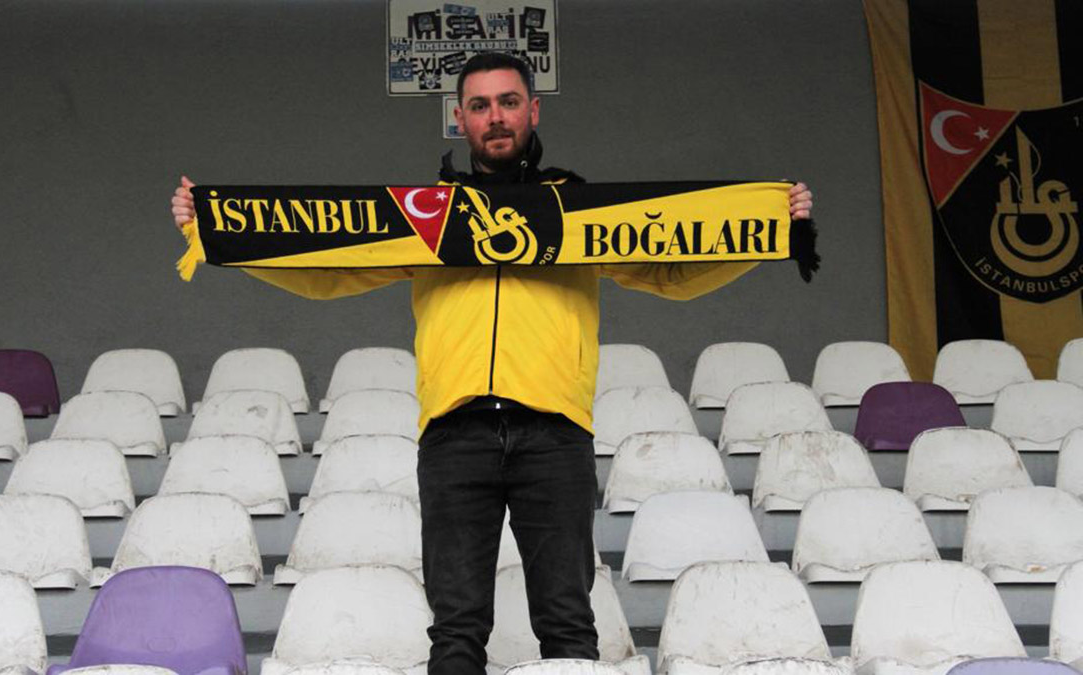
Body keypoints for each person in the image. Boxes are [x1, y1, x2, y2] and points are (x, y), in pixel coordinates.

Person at [171, 52, 813, 675]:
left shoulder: (581, 209)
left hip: (555, 434)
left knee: (568, 623)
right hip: (454, 436)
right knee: (456, 631)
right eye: (480, 106)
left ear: (533, 110)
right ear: (460, 120)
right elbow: (328, 271)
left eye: (508, 102)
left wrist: (773, 230)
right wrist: (216, 232)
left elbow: (670, 272)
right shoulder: (424, 214)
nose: (496, 117)